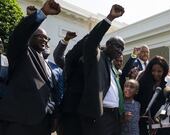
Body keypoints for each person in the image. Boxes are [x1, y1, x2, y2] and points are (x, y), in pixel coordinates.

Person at [62, 4, 125, 135]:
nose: (120, 51)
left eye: (122, 49)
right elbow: (91, 40)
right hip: (95, 115)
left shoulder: (110, 64)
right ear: (107, 45)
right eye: (117, 46)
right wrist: (110, 18)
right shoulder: (96, 56)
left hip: (112, 117)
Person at [0, 1, 61, 135]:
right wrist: (42, 13)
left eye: (47, 38)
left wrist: (54, 115)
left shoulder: (48, 65)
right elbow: (20, 34)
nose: (45, 40)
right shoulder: (22, 53)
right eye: (40, 37)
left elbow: (51, 92)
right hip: (20, 122)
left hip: (42, 123)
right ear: (29, 38)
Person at [135, 56, 170, 135]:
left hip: (161, 124)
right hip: (143, 122)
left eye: (159, 71)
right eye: (153, 70)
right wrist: (145, 117)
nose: (156, 73)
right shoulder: (143, 78)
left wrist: (158, 118)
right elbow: (137, 99)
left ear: (164, 71)